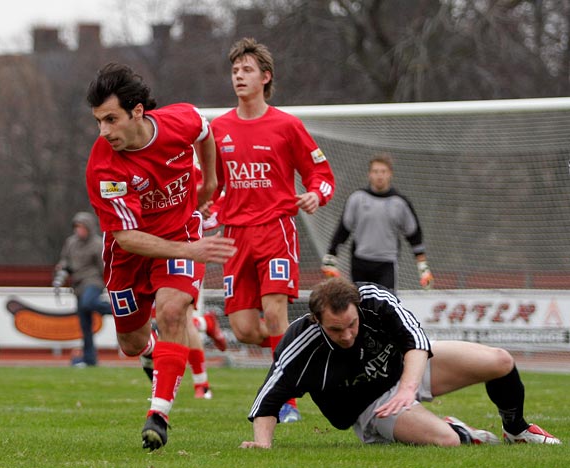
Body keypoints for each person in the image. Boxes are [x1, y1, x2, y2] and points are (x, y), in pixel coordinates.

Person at [84, 63, 236, 451]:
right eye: (99, 121)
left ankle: (159, 415)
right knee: (131, 344)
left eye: (111, 119)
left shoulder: (179, 120)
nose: (104, 131)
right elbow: (127, 237)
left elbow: (205, 130)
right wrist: (191, 250)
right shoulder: (104, 165)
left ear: (138, 111)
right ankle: (152, 352)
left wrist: (213, 179)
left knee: (172, 313)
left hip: (182, 233)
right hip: (130, 255)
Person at [241, 277, 561, 448]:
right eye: (336, 329)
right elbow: (267, 400)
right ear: (316, 320)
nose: (348, 335)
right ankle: (455, 429)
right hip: (373, 405)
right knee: (447, 442)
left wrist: (408, 387)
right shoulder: (300, 344)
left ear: (357, 306)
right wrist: (262, 445)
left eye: (351, 324)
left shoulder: (374, 300)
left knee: (500, 360)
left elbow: (416, 340)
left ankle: (517, 430)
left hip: (407, 368)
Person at [209, 37, 335, 423]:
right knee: (246, 329)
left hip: (275, 230)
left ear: (265, 77)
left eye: (247, 70)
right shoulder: (218, 128)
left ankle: (287, 402)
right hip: (234, 236)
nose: (239, 76)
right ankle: (307, 350)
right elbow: (210, 186)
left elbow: (321, 174)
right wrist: (209, 213)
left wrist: (315, 194)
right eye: (234, 70)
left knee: (275, 314)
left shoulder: (287, 125)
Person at [321, 152, 433, 291]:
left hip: (387, 264)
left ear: (390, 173)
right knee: (361, 308)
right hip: (360, 262)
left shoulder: (400, 203)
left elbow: (414, 236)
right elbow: (344, 229)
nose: (379, 175)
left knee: (386, 308)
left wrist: (423, 268)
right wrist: (331, 257)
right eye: (375, 171)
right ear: (369, 174)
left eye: (383, 171)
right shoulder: (357, 198)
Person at [52, 211, 112, 367]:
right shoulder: (70, 242)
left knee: (88, 303)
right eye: (77, 227)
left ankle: (115, 310)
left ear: (90, 227)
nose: (79, 230)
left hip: (93, 281)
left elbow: (103, 267)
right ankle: (90, 359)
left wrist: (108, 284)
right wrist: (62, 271)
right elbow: (66, 261)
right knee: (85, 325)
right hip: (77, 284)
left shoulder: (98, 244)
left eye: (82, 227)